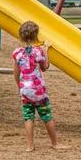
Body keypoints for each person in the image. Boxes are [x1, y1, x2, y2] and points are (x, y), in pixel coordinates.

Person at [11, 21, 62, 151]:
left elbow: (16, 73)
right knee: (46, 116)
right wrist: (46, 52)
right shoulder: (38, 51)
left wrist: (20, 87)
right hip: (38, 90)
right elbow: (45, 67)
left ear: (21, 36)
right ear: (36, 35)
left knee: (28, 117)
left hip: (25, 90)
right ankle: (55, 143)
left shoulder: (17, 52)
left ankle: (30, 146)